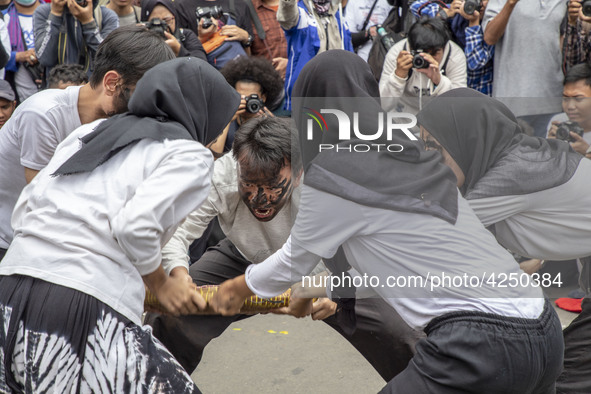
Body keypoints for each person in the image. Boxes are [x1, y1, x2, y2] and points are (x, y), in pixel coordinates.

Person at [209, 50, 563, 393]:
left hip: (480, 343)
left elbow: (293, 259)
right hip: (543, 329)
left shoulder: (336, 170)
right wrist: (311, 290)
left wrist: (237, 290)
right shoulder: (412, 157)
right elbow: (389, 274)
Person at [0, 57, 240, 393]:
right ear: (205, 113)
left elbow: (26, 206)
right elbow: (135, 228)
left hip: (10, 289)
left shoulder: (90, 131)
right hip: (80, 305)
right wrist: (162, 286)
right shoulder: (189, 154)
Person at [146, 115, 423, 381]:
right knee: (171, 315)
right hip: (246, 256)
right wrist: (179, 276)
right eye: (249, 184)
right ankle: (153, 384)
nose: (259, 198)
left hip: (330, 265)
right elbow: (177, 230)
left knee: (402, 335)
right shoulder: (223, 174)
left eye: (271, 185)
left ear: (299, 173)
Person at [416, 87, 591, 394]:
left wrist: (328, 286)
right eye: (423, 147)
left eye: (435, 147)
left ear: (466, 140)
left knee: (556, 378)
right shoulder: (516, 155)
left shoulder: (510, 173)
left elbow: (423, 245)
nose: (428, 160)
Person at [0, 25, 175, 260]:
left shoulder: (114, 122)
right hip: (13, 244)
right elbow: (41, 205)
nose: (147, 106)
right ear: (112, 82)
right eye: (143, 94)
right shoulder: (43, 114)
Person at [482, 0, 564, 137]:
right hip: (513, 99)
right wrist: (510, 4)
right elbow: (489, 37)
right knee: (514, 155)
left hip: (552, 99)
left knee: (548, 156)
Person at [379, 16, 466, 114]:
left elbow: (459, 107)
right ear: (410, 46)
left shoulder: (455, 56)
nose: (427, 59)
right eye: (420, 54)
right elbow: (382, 105)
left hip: (439, 119)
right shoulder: (397, 54)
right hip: (403, 118)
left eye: (433, 53)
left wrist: (440, 82)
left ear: (444, 47)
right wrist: (398, 77)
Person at [278, 0, 353, 110]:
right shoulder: (300, 13)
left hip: (338, 93)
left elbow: (350, 55)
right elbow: (285, 17)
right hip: (307, 94)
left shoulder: (338, 15)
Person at [34, 0, 119, 79]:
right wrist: (55, 15)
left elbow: (109, 60)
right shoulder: (45, 12)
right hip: (57, 88)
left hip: (92, 89)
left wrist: (88, 23)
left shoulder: (105, 15)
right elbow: (45, 59)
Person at [217, 55, 284, 152]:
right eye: (241, 97)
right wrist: (227, 121)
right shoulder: (226, 121)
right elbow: (214, 156)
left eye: (252, 97)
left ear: (263, 98)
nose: (246, 102)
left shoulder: (270, 122)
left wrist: (274, 128)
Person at [547, 63, 591, 158]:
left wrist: (587, 152)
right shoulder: (559, 122)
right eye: (565, 98)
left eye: (578, 98)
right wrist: (549, 147)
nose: (570, 106)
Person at [3, 0, 43, 102]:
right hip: (20, 91)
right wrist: (19, 56)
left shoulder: (54, 13)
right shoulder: (4, 18)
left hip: (52, 83)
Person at [141, 0, 207, 60]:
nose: (161, 27)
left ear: (174, 17)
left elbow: (202, 65)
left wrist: (179, 51)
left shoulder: (186, 36)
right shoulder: (140, 42)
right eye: (155, 22)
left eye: (166, 20)